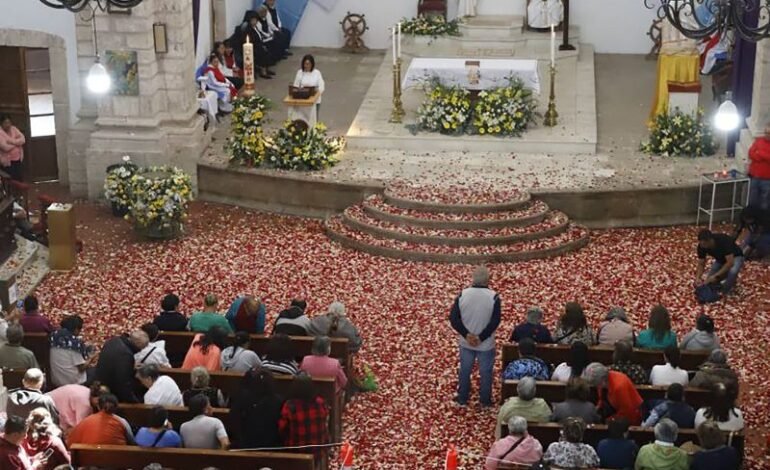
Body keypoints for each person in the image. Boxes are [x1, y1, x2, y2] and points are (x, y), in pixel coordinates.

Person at [449, 266, 501, 407]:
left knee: (465, 370)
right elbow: (495, 321)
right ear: (488, 280)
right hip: (485, 344)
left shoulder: (463, 295)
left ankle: (463, 397)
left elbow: (454, 318)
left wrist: (466, 335)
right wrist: (481, 337)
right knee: (486, 372)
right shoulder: (493, 297)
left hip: (466, 342)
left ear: (473, 278)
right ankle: (485, 400)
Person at [278, 373, 330, 459]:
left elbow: (282, 428)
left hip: (296, 453)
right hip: (318, 451)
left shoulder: (290, 406)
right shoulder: (320, 403)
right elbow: (325, 420)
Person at [229, 368, 284, 449]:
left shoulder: (243, 397)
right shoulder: (278, 401)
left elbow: (234, 420)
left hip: (246, 444)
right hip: (270, 445)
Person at [95, 330, 149, 403]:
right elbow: (123, 384)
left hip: (100, 378)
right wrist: (135, 402)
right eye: (141, 348)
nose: (140, 350)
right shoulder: (126, 355)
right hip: (110, 391)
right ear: (137, 343)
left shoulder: (115, 340)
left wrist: (129, 366)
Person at [66, 394, 135, 446]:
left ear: (98, 406)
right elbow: (131, 442)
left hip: (89, 459)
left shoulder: (86, 421)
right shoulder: (122, 422)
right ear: (116, 407)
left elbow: (71, 442)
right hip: (117, 459)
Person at [49, 315, 95, 387]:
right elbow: (81, 368)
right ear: (76, 329)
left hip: (55, 379)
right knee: (95, 371)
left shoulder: (53, 337)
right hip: (73, 382)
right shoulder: (75, 344)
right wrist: (92, 358)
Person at [695, 229, 745, 295]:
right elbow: (701, 263)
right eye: (701, 243)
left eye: (704, 244)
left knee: (733, 272)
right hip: (720, 259)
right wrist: (698, 278)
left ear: (710, 240)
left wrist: (716, 276)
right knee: (710, 280)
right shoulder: (701, 246)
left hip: (736, 257)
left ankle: (726, 291)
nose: (702, 246)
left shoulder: (723, 241)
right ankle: (721, 284)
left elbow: (730, 263)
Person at [747, 122, 770, 210]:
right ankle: (752, 217)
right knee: (752, 201)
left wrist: (759, 153)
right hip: (755, 176)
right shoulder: (758, 141)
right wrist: (763, 156)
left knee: (764, 202)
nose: (767, 135)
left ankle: (763, 218)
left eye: (769, 133)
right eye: (765, 132)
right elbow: (750, 153)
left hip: (767, 179)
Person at [0, 114, 26, 181]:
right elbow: (5, 147)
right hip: (8, 162)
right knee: (11, 180)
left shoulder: (14, 129)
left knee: (19, 178)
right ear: (1, 123)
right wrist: (17, 143)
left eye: (9, 122)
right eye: (5, 123)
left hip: (18, 159)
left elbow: (23, 140)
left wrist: (11, 142)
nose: (8, 125)